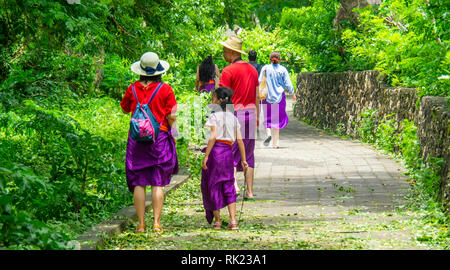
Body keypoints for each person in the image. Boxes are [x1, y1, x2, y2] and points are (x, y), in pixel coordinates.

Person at [120, 52, 178, 233]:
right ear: (158, 71)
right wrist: (174, 135)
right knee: (157, 181)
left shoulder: (132, 88)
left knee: (139, 181)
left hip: (137, 140)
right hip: (158, 138)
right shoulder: (166, 89)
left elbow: (125, 108)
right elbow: (171, 116)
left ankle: (140, 225)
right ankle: (156, 223)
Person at [201, 87, 248, 230]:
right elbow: (240, 140)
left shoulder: (214, 117)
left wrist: (207, 155)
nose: (212, 100)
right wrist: (244, 160)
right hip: (228, 153)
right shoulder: (233, 118)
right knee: (228, 184)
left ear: (220, 100)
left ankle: (218, 221)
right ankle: (233, 221)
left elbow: (213, 137)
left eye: (214, 98)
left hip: (216, 153)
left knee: (213, 184)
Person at [219, 36, 259, 201]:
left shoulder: (228, 71)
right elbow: (257, 95)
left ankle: (233, 186)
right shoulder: (252, 69)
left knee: (231, 150)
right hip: (251, 113)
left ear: (231, 52)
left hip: (235, 113)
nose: (222, 54)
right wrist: (257, 116)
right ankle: (249, 192)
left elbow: (223, 96)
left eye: (224, 51)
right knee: (248, 154)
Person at [260, 51, 296, 148]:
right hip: (279, 97)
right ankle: (275, 144)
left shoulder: (265, 68)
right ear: (279, 59)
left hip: (267, 97)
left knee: (268, 118)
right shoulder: (283, 69)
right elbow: (288, 84)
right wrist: (292, 94)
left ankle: (268, 135)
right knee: (277, 120)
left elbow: (259, 81)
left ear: (270, 59)